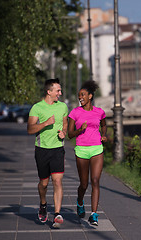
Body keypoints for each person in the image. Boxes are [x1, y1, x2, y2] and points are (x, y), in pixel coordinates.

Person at [27, 78, 68, 228]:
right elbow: (30, 129)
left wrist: (64, 132)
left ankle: (57, 214)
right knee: (44, 183)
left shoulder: (63, 106)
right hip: (42, 150)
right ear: (49, 92)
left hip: (58, 149)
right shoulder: (37, 108)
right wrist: (45, 123)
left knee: (57, 181)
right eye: (58, 90)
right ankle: (43, 204)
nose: (60, 93)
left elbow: (65, 124)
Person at [68, 80, 107, 226]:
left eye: (83, 95)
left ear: (90, 96)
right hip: (81, 149)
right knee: (84, 184)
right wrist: (80, 130)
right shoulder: (75, 112)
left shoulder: (99, 112)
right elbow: (70, 135)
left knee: (95, 181)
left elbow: (104, 125)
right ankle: (79, 201)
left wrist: (104, 135)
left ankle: (94, 214)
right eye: (79, 96)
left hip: (97, 148)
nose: (80, 98)